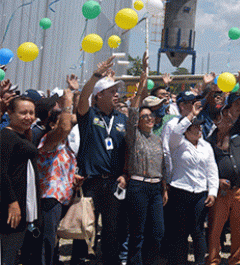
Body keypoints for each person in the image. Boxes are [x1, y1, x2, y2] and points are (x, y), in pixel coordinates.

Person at [72, 56, 129, 265]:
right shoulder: (88, 115)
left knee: (112, 228)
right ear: (99, 95)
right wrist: (96, 76)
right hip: (91, 182)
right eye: (112, 91)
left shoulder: (121, 118)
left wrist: (124, 174)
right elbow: (83, 97)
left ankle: (110, 261)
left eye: (117, 91)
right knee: (85, 225)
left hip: (114, 182)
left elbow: (126, 151)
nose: (117, 95)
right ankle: (78, 260)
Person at [206, 67, 240, 265]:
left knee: (239, 230)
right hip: (220, 192)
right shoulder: (209, 141)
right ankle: (214, 260)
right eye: (234, 107)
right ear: (220, 116)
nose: (238, 109)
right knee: (215, 229)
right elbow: (205, 167)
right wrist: (215, 182)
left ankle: (236, 261)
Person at [124, 58, 167, 265]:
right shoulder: (134, 136)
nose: (149, 119)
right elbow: (132, 112)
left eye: (151, 116)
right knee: (138, 232)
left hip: (156, 188)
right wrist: (143, 81)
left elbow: (162, 166)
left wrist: (164, 188)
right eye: (145, 116)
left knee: (157, 231)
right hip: (138, 186)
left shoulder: (157, 139)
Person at [167, 98, 218, 265]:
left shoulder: (206, 146)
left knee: (198, 231)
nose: (199, 129)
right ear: (187, 130)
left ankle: (199, 262)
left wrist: (212, 192)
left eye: (200, 126)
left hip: (199, 194)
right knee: (180, 232)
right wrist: (190, 115)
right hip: (180, 191)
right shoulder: (178, 144)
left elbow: (212, 170)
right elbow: (175, 132)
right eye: (195, 126)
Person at [36, 89, 79, 265]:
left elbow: (74, 119)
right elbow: (65, 126)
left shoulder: (63, 142)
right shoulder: (48, 138)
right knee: (45, 244)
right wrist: (68, 101)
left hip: (61, 199)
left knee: (53, 241)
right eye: (57, 106)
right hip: (49, 200)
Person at [0, 96, 39, 265]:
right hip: (10, 206)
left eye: (31, 113)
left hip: (22, 203)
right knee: (7, 253)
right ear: (10, 113)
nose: (28, 117)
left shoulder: (22, 135)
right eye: (23, 113)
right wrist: (12, 202)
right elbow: (1, 172)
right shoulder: (6, 137)